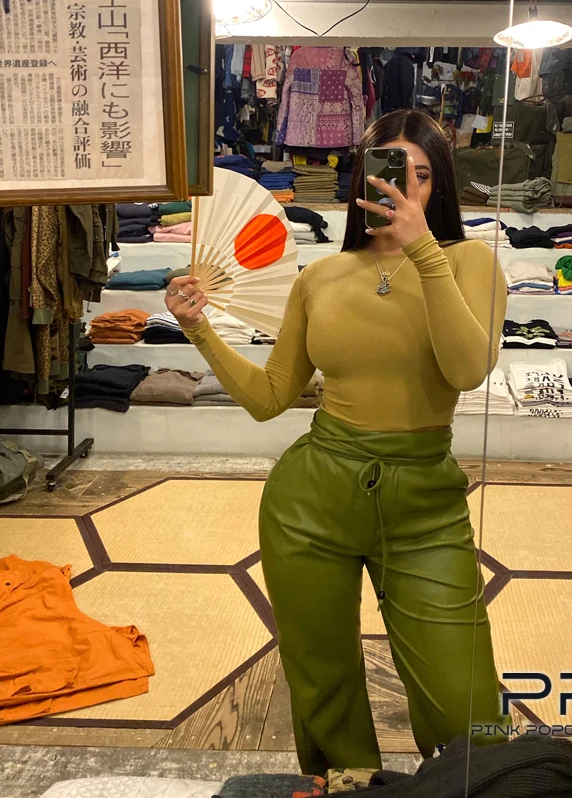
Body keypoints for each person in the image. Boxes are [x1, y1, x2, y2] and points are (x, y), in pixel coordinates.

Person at [166, 110, 509, 775]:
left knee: (470, 706)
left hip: (426, 508)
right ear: (361, 181)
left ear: (440, 185)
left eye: (422, 174)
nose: (404, 188)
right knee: (323, 685)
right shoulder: (320, 277)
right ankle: (348, 786)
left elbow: (468, 369)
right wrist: (198, 329)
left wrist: (421, 250)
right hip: (310, 502)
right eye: (389, 172)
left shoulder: (469, 262)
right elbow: (270, 398)